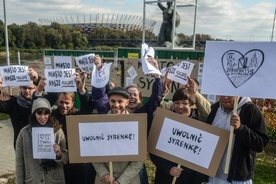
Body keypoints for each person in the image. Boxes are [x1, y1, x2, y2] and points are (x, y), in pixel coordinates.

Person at [34, 77, 96, 184]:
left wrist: (81, 89)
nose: (64, 106)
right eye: (61, 102)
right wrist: (39, 91)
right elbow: (38, 107)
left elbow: (86, 106)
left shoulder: (78, 115)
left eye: (67, 103)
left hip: (77, 165)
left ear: (72, 103)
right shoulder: (50, 117)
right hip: (56, 164)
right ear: (57, 101)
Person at [150, 77, 210, 184]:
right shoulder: (165, 124)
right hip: (165, 178)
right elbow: (155, 153)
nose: (180, 106)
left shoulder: (201, 126)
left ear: (192, 105)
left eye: (185, 103)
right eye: (177, 103)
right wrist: (168, 169)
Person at [206, 96, 269, 183]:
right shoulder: (214, 109)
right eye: (222, 93)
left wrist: (240, 129)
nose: (225, 97)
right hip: (213, 176)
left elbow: (260, 144)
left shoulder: (251, 110)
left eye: (229, 94)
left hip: (237, 179)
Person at [92, 87, 144, 184]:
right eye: (113, 101)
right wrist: (103, 173)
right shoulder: (99, 124)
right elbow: (94, 155)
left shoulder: (136, 125)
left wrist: (121, 181)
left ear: (127, 102)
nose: (116, 105)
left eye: (120, 101)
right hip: (104, 180)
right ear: (109, 101)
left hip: (129, 180)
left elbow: (139, 161)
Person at [125, 58, 163, 184]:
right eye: (128, 95)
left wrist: (157, 74)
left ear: (140, 100)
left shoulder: (144, 113)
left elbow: (155, 99)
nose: (131, 97)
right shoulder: (116, 114)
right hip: (120, 160)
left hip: (137, 162)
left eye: (134, 95)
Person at [16, 98, 68, 184]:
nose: (43, 117)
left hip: (54, 180)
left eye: (46, 113)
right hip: (33, 180)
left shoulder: (57, 131)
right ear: (34, 114)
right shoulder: (24, 133)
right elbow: (19, 163)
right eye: (39, 113)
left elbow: (65, 158)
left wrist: (59, 154)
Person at [0, 68, 40, 149]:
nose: (27, 91)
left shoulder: (40, 102)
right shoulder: (12, 103)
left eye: (30, 88)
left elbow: (53, 94)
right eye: (24, 88)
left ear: (35, 88)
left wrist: (37, 79)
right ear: (20, 87)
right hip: (20, 144)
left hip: (39, 143)